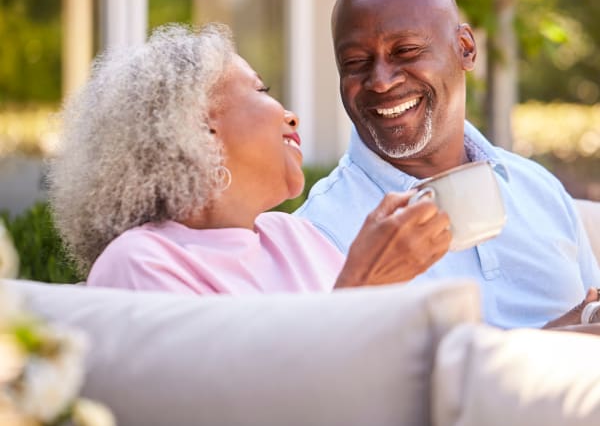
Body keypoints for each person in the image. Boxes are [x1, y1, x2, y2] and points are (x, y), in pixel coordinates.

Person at [295, 0, 600, 329]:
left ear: (465, 48)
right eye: (356, 62)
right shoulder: (321, 230)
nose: (380, 81)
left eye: (405, 51)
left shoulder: (537, 189)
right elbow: (340, 378)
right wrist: (550, 342)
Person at [48, 23, 451, 295]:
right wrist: (363, 286)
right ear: (199, 130)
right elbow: (225, 411)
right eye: (261, 90)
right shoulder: (141, 262)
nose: (290, 115)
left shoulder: (298, 238)